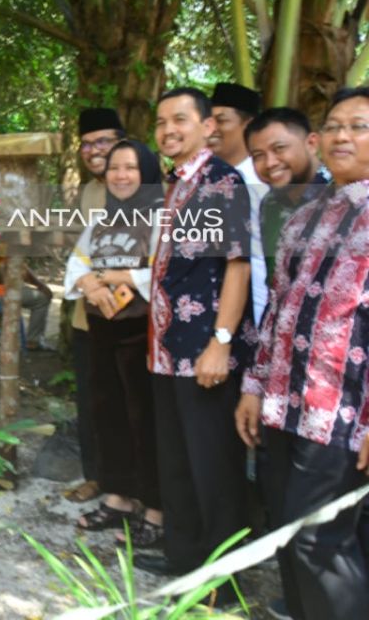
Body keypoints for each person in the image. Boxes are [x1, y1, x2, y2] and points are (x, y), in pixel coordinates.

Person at [235, 88, 369, 620]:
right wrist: (252, 388)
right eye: (334, 125)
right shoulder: (305, 216)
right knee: (289, 535)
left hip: (340, 413)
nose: (342, 136)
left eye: (358, 126)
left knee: (321, 542)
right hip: (281, 404)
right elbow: (278, 312)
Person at [137, 87, 256, 590]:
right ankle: (184, 559)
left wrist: (221, 342)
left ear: (209, 126)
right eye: (161, 121)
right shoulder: (176, 183)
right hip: (166, 349)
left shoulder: (220, 181)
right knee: (179, 461)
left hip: (204, 349)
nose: (168, 130)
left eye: (180, 119)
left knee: (215, 468)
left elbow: (237, 264)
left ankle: (222, 583)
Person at [64, 140, 163, 548]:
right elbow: (76, 262)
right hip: (102, 329)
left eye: (131, 168)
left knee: (147, 420)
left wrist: (118, 278)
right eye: (115, 169)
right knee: (109, 416)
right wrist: (89, 281)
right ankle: (119, 498)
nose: (121, 176)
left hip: (143, 332)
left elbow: (165, 272)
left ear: (147, 174)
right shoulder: (104, 218)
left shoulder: (163, 217)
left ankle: (156, 508)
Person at [64, 107, 123, 503]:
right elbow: (80, 250)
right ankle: (96, 476)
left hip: (132, 316)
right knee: (91, 399)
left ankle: (127, 485)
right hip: (89, 315)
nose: (94, 150)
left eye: (103, 141)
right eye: (87, 144)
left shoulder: (150, 187)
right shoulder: (88, 192)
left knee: (127, 402)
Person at [245, 108, 329, 282]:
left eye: (279, 148)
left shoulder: (344, 195)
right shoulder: (269, 204)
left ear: (312, 144)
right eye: (258, 156)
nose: (270, 163)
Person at [208, 82, 268, 324]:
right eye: (208, 121)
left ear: (249, 124)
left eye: (221, 120)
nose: (212, 129)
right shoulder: (205, 181)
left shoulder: (263, 181)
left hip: (255, 313)